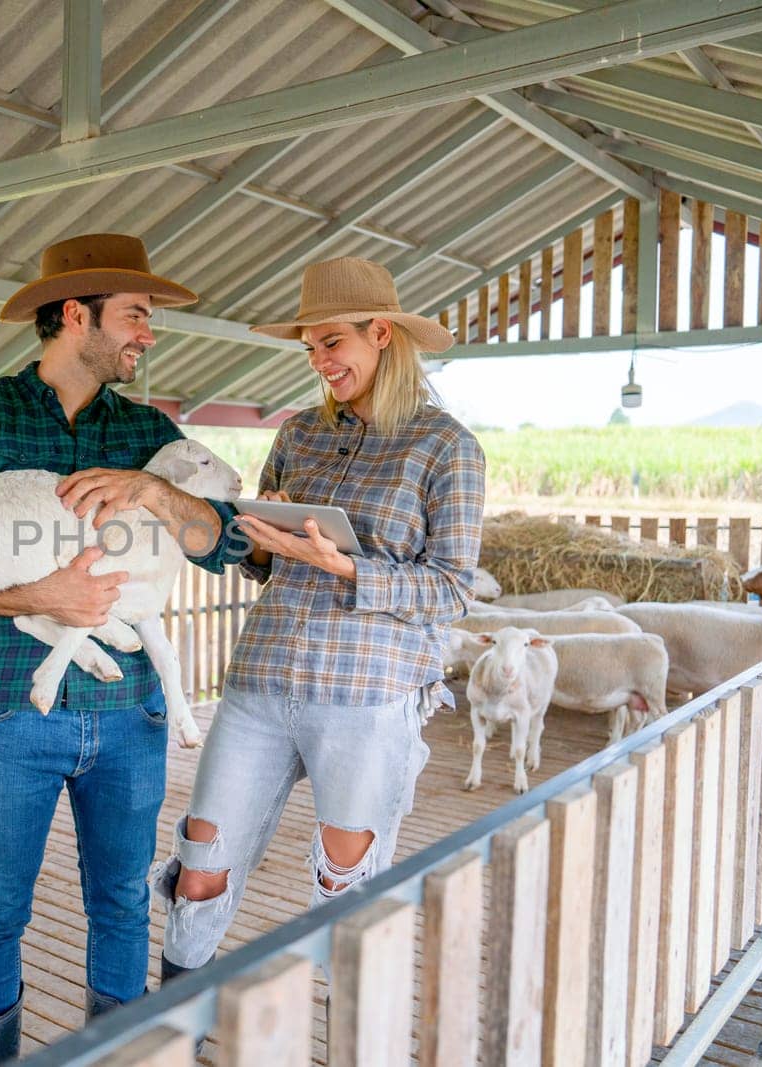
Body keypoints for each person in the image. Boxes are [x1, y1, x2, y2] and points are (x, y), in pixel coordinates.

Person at [0, 233, 244, 1065]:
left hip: (131, 710)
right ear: (73, 314)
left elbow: (223, 544)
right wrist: (37, 598)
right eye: (135, 315)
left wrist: (157, 489)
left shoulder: (149, 432)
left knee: (124, 902)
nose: (148, 334)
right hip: (7, 704)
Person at [154, 257, 486, 982]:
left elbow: (453, 589)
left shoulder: (447, 447)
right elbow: (266, 558)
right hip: (262, 680)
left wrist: (348, 567)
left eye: (331, 342)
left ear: (381, 333)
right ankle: (169, 1041)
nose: (320, 362)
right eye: (309, 347)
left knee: (346, 890)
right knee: (198, 870)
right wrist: (258, 544)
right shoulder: (300, 432)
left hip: (368, 696)